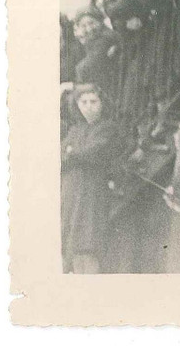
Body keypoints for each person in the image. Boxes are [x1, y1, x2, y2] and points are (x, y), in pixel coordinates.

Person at [61, 84, 127, 273]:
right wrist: (71, 154)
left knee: (88, 242)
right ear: (77, 105)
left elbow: (96, 151)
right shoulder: (74, 130)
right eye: (84, 102)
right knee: (71, 242)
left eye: (93, 102)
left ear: (102, 104)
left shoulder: (107, 129)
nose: (89, 107)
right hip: (72, 191)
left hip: (92, 192)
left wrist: (72, 153)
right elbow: (60, 156)